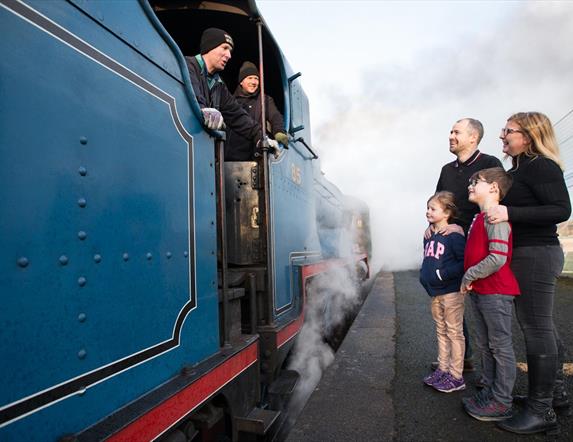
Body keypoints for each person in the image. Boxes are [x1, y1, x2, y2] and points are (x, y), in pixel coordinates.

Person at [487, 112, 571, 435]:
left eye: (508, 130)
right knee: (544, 327)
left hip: (537, 254)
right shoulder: (518, 169)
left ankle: (540, 410)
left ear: (529, 135)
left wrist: (510, 211)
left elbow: (562, 209)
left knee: (536, 330)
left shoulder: (542, 166)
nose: (502, 135)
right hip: (527, 254)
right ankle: (555, 394)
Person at [430, 118, 503, 373]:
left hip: (481, 241)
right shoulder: (446, 170)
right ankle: (462, 357)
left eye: (456, 132)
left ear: (474, 137)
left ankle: (493, 372)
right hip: (451, 244)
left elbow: (498, 199)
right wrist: (433, 225)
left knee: (485, 306)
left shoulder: (490, 163)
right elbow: (440, 201)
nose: (450, 135)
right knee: (450, 302)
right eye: (450, 131)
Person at [459, 167, 520, 422]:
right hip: (483, 292)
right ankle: (491, 391)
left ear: (494, 188)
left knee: (500, 347)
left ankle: (502, 401)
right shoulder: (479, 218)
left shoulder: (496, 218)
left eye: (477, 181)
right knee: (485, 344)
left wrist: (470, 274)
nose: (470, 185)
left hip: (495, 292)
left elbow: (497, 257)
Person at [185, 28, 278, 154]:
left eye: (230, 51)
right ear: (209, 47)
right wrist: (202, 109)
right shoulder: (187, 66)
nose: (229, 55)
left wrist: (261, 136)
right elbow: (193, 94)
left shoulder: (219, 86)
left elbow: (237, 115)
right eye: (224, 48)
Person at [420, 191, 466, 393]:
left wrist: (442, 274)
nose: (428, 212)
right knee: (441, 332)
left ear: (447, 212)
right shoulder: (430, 235)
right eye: (428, 208)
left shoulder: (454, 235)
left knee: (454, 333)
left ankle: (456, 376)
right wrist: (426, 278)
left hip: (451, 292)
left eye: (433, 209)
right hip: (435, 292)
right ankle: (443, 369)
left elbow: (464, 262)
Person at [226, 61, 289, 160]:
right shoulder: (230, 101)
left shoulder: (265, 100)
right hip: (231, 156)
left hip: (255, 155)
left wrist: (278, 131)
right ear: (241, 81)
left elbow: (275, 116)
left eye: (256, 79)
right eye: (250, 78)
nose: (254, 82)